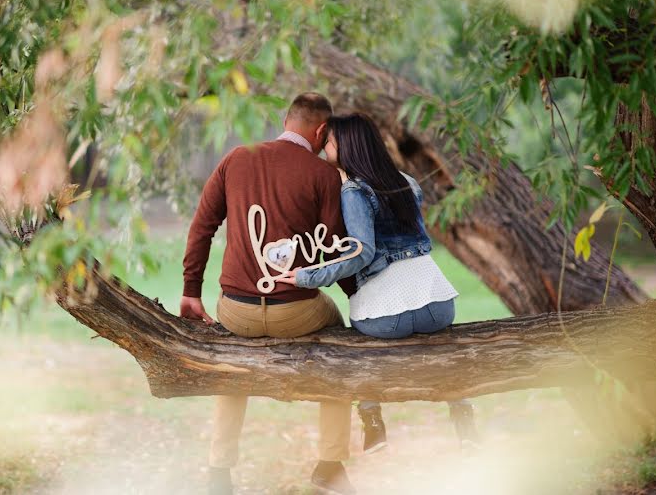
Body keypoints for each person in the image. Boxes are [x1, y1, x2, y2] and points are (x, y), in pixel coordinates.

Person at [180, 93, 360, 495]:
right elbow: (333, 252)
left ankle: (218, 472)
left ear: (285, 120)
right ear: (321, 131)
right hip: (296, 313)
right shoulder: (325, 175)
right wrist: (360, 299)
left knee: (232, 368)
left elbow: (201, 228)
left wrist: (192, 291)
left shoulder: (235, 158)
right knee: (343, 344)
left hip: (236, 311)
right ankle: (330, 464)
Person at [279, 112, 480, 451]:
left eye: (328, 142)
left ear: (345, 145)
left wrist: (307, 276)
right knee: (441, 342)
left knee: (356, 339)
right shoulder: (407, 182)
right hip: (439, 306)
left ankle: (372, 418)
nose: (324, 147)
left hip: (390, 318)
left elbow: (361, 254)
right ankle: (463, 416)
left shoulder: (354, 191)